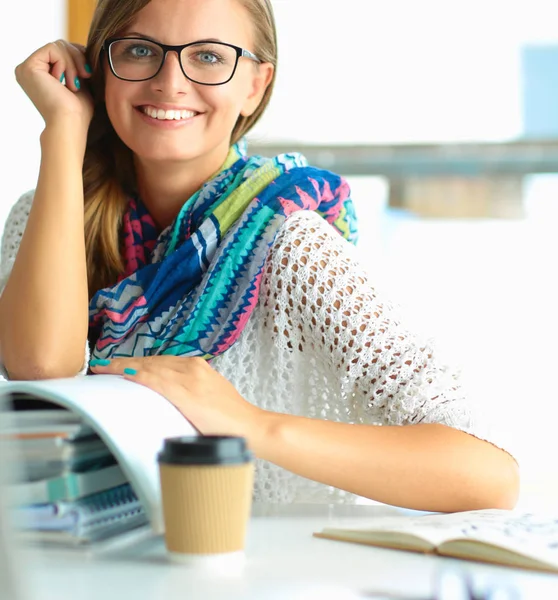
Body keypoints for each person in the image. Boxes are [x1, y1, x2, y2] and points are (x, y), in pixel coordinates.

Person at [0, 0, 518, 510]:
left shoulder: (288, 242)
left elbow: (488, 475)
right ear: (101, 68)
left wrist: (246, 423)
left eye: (208, 56)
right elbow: (44, 369)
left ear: (255, 85)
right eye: (139, 50)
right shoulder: (44, 215)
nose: (169, 82)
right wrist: (64, 129)